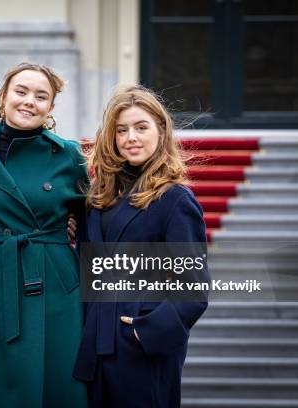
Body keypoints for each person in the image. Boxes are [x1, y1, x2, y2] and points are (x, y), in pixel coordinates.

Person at [0, 62, 88, 407]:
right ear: (3, 96)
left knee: (55, 380)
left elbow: (95, 216)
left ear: (51, 108)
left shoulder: (69, 154)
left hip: (54, 283)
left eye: (41, 96)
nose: (29, 101)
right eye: (21, 91)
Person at [73, 85, 209, 407]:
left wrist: (146, 333)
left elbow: (194, 288)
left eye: (141, 127)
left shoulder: (175, 199)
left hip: (142, 348)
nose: (130, 137)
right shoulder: (99, 198)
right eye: (122, 130)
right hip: (95, 345)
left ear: (161, 132)